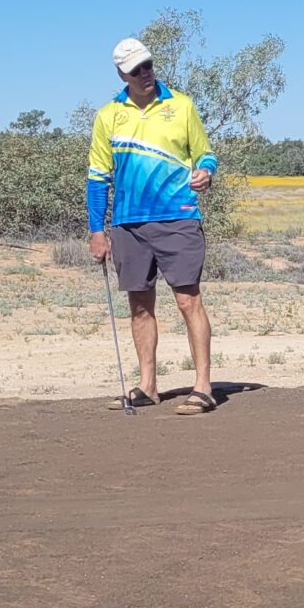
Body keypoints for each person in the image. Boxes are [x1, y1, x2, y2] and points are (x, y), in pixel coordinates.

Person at [87, 36, 218, 412]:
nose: (145, 73)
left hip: (178, 217)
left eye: (148, 65)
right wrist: (97, 230)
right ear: (121, 74)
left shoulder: (181, 105)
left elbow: (205, 154)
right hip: (128, 224)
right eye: (136, 70)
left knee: (188, 301)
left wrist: (205, 172)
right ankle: (148, 386)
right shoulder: (109, 115)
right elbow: (98, 177)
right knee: (140, 305)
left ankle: (203, 387)